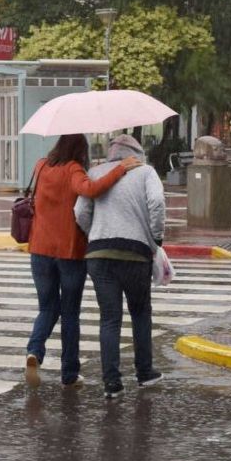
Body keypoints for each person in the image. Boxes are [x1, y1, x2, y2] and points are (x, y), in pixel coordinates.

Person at [24, 133, 140, 388]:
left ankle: (34, 350)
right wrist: (120, 169)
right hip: (69, 252)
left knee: (46, 308)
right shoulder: (73, 169)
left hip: (40, 250)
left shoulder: (42, 165)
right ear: (80, 150)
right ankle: (69, 374)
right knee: (70, 313)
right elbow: (90, 190)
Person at [74, 134, 166, 399]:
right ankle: (144, 372)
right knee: (140, 312)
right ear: (136, 153)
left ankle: (112, 383)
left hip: (100, 254)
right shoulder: (146, 172)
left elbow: (80, 212)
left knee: (110, 318)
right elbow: (157, 203)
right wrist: (156, 237)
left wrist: (96, 232)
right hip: (136, 253)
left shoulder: (95, 172)